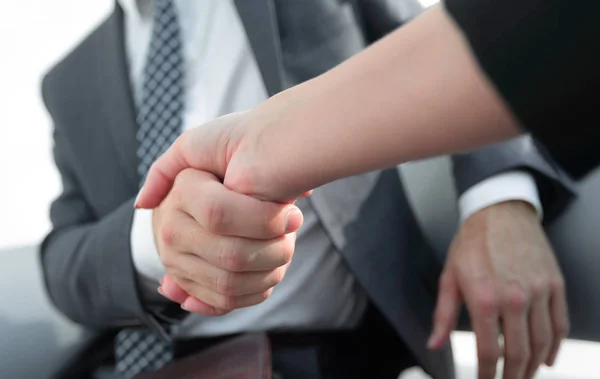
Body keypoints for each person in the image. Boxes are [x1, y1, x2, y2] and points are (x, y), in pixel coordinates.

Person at [41, 2, 571, 379]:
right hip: (151, 360)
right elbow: (64, 254)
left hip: (332, 354)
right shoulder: (68, 81)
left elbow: (447, 48)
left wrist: (499, 201)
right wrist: (154, 240)